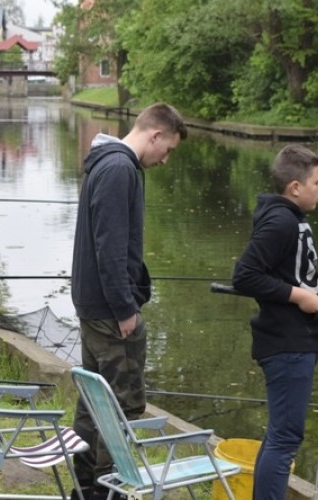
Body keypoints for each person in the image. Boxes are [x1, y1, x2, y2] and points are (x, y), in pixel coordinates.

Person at [69, 103, 187, 500]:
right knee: (121, 411)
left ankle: (85, 487)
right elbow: (110, 246)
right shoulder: (120, 169)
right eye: (167, 149)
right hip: (110, 312)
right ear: (155, 135)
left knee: (92, 402)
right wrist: (125, 310)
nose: (165, 160)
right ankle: (109, 492)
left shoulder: (102, 161)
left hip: (90, 306)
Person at [231, 144, 318, 500]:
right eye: (317, 181)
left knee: (280, 435)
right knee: (285, 440)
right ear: (295, 187)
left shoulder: (295, 221)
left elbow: (304, 278)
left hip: (298, 341)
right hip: (286, 345)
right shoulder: (282, 221)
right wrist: (299, 297)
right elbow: (246, 275)